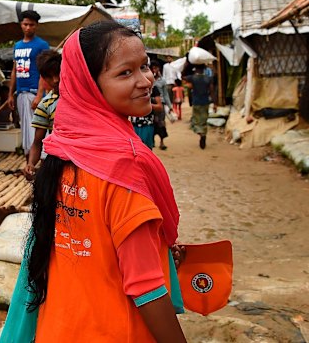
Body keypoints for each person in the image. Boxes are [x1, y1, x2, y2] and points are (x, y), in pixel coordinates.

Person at [16, 21, 186, 341]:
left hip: (60, 328)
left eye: (145, 66)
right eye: (125, 73)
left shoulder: (60, 154)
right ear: (89, 85)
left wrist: (156, 246)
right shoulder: (124, 169)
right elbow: (145, 287)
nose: (146, 80)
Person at [8, 10, 50, 161]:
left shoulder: (41, 45)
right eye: (25, 24)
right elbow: (14, 71)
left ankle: (42, 161)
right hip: (21, 92)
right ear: (21, 25)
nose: (28, 28)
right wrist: (10, 94)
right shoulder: (17, 46)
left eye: (31, 25)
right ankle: (29, 162)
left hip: (34, 92)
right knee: (25, 128)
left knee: (38, 128)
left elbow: (45, 72)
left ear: (36, 26)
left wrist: (40, 95)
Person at [23, 50, 62, 181]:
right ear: (43, 78)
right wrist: (31, 164)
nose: (55, 80)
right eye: (49, 76)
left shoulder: (82, 95)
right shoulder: (45, 105)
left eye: (58, 73)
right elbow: (37, 142)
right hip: (59, 162)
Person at [183, 64, 217, 149]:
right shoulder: (208, 78)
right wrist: (215, 104)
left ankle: (200, 133)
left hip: (196, 102)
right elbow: (212, 91)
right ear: (204, 69)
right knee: (204, 120)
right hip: (205, 102)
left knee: (196, 121)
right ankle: (203, 133)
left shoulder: (193, 78)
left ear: (196, 69)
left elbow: (183, 77)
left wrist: (187, 65)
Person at [130, 83, 163, 150]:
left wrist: (145, 104)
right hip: (133, 124)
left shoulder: (153, 88)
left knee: (146, 148)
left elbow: (159, 106)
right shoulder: (131, 87)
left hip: (147, 123)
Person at [152, 60, 171, 150]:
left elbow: (166, 94)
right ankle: (152, 141)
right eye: (152, 68)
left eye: (155, 68)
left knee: (161, 123)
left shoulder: (162, 80)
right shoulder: (148, 79)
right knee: (152, 123)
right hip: (151, 104)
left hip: (161, 104)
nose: (154, 70)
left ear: (158, 68)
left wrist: (170, 106)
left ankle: (162, 141)